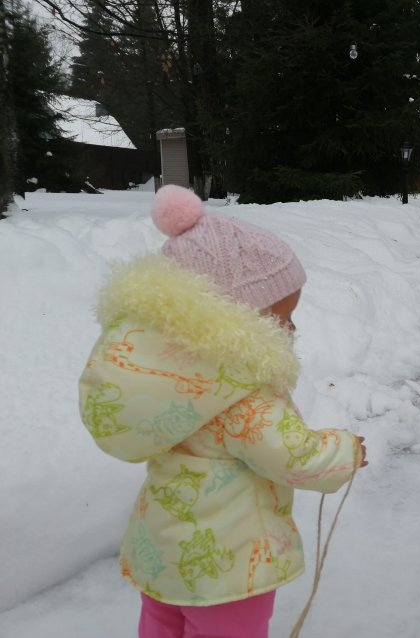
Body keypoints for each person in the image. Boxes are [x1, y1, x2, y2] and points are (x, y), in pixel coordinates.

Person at [79, 185, 366, 638]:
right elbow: (297, 457)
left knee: (160, 626)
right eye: (282, 318)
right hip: (226, 567)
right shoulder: (239, 393)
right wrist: (347, 450)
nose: (292, 328)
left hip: (161, 552)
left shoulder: (168, 376)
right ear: (238, 318)